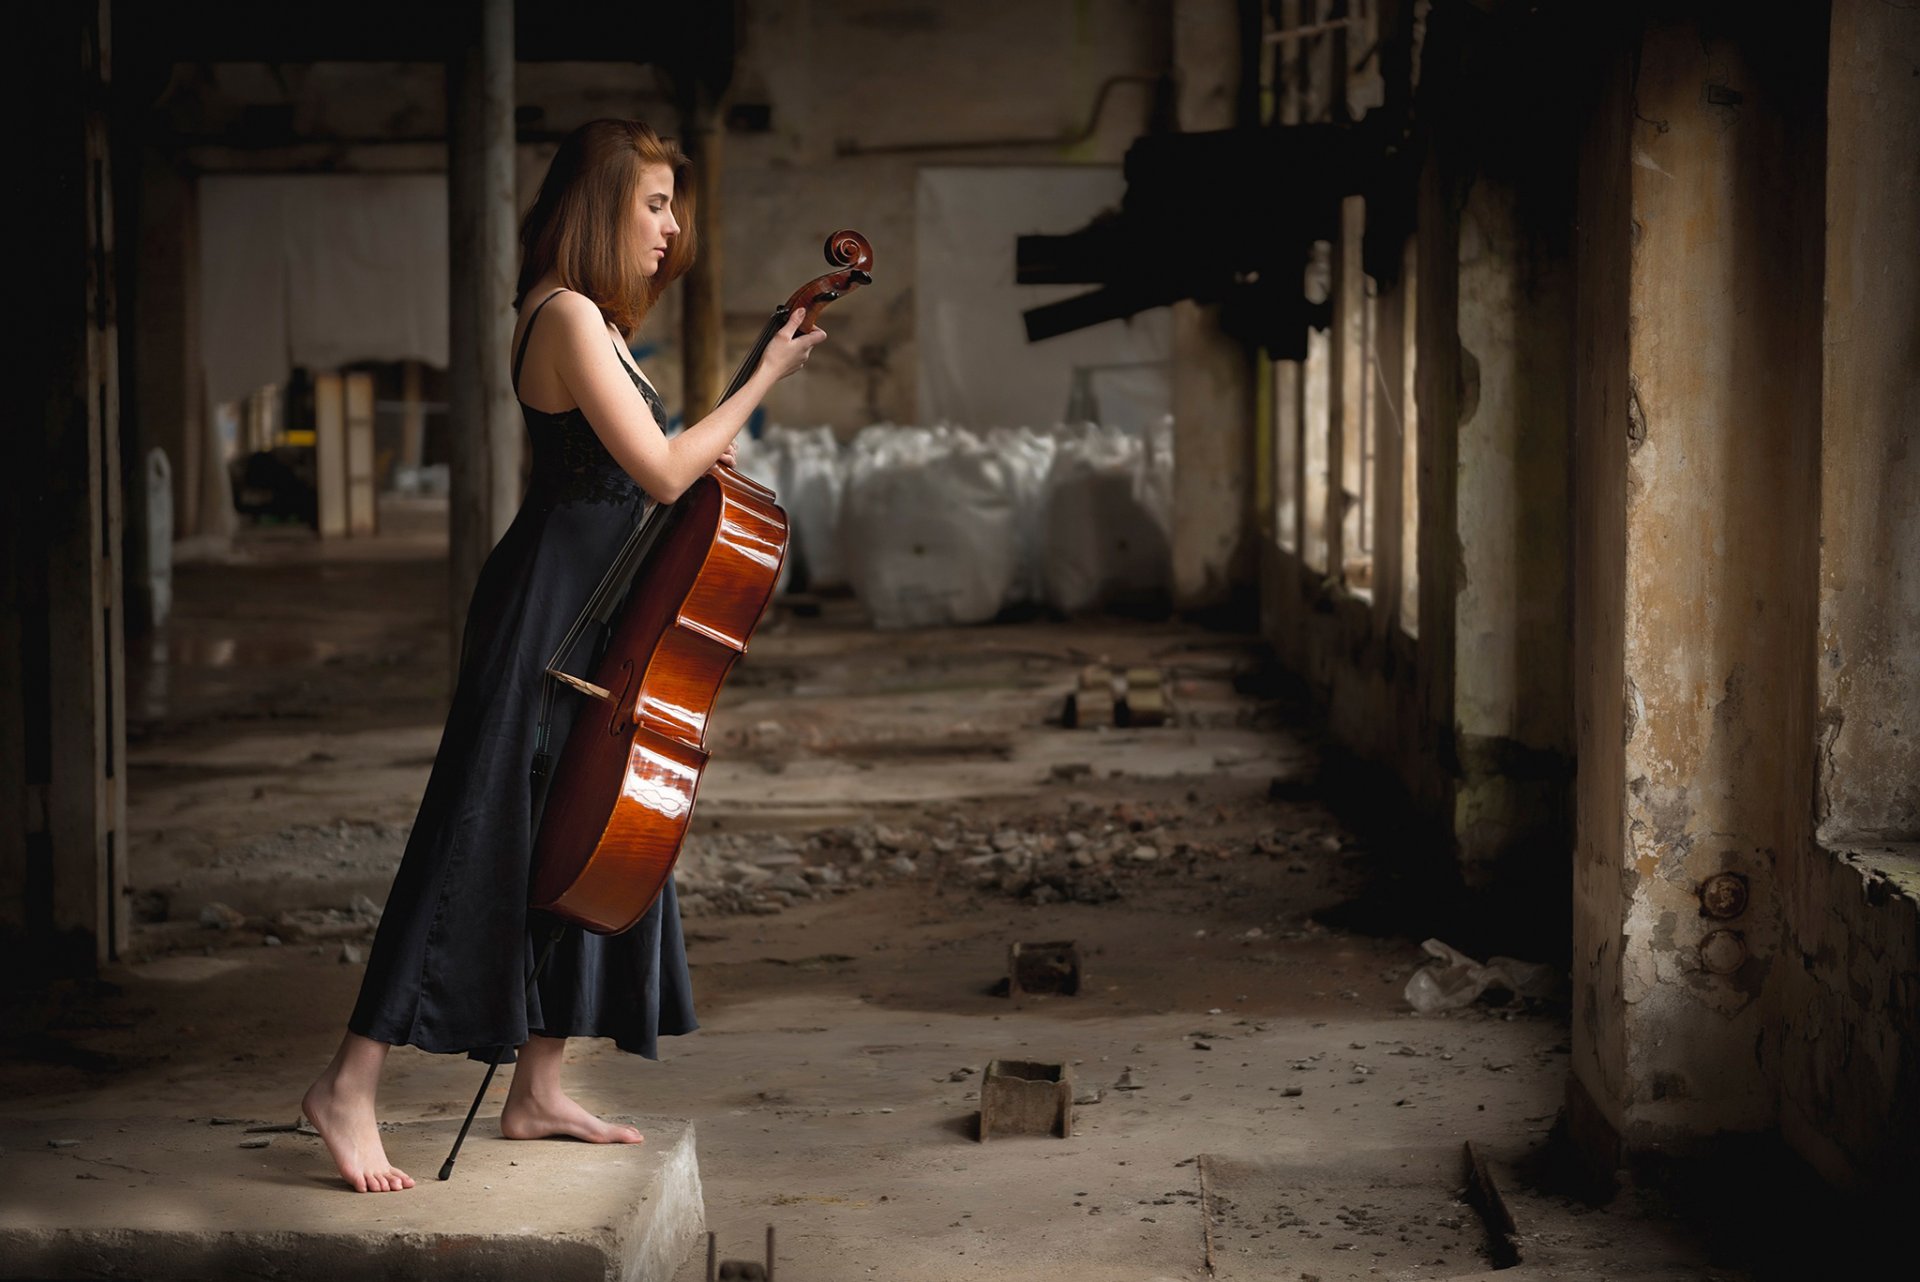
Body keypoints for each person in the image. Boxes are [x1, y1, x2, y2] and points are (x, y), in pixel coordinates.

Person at [300, 118, 826, 1193]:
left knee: (601, 836)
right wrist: (765, 372)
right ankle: (345, 1087)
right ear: (600, 205)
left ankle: (537, 1087)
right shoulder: (565, 313)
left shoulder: (602, 325)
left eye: (674, 206)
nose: (671, 228)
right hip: (543, 611)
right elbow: (666, 473)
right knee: (476, 836)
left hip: (601, 615)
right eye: (655, 204)